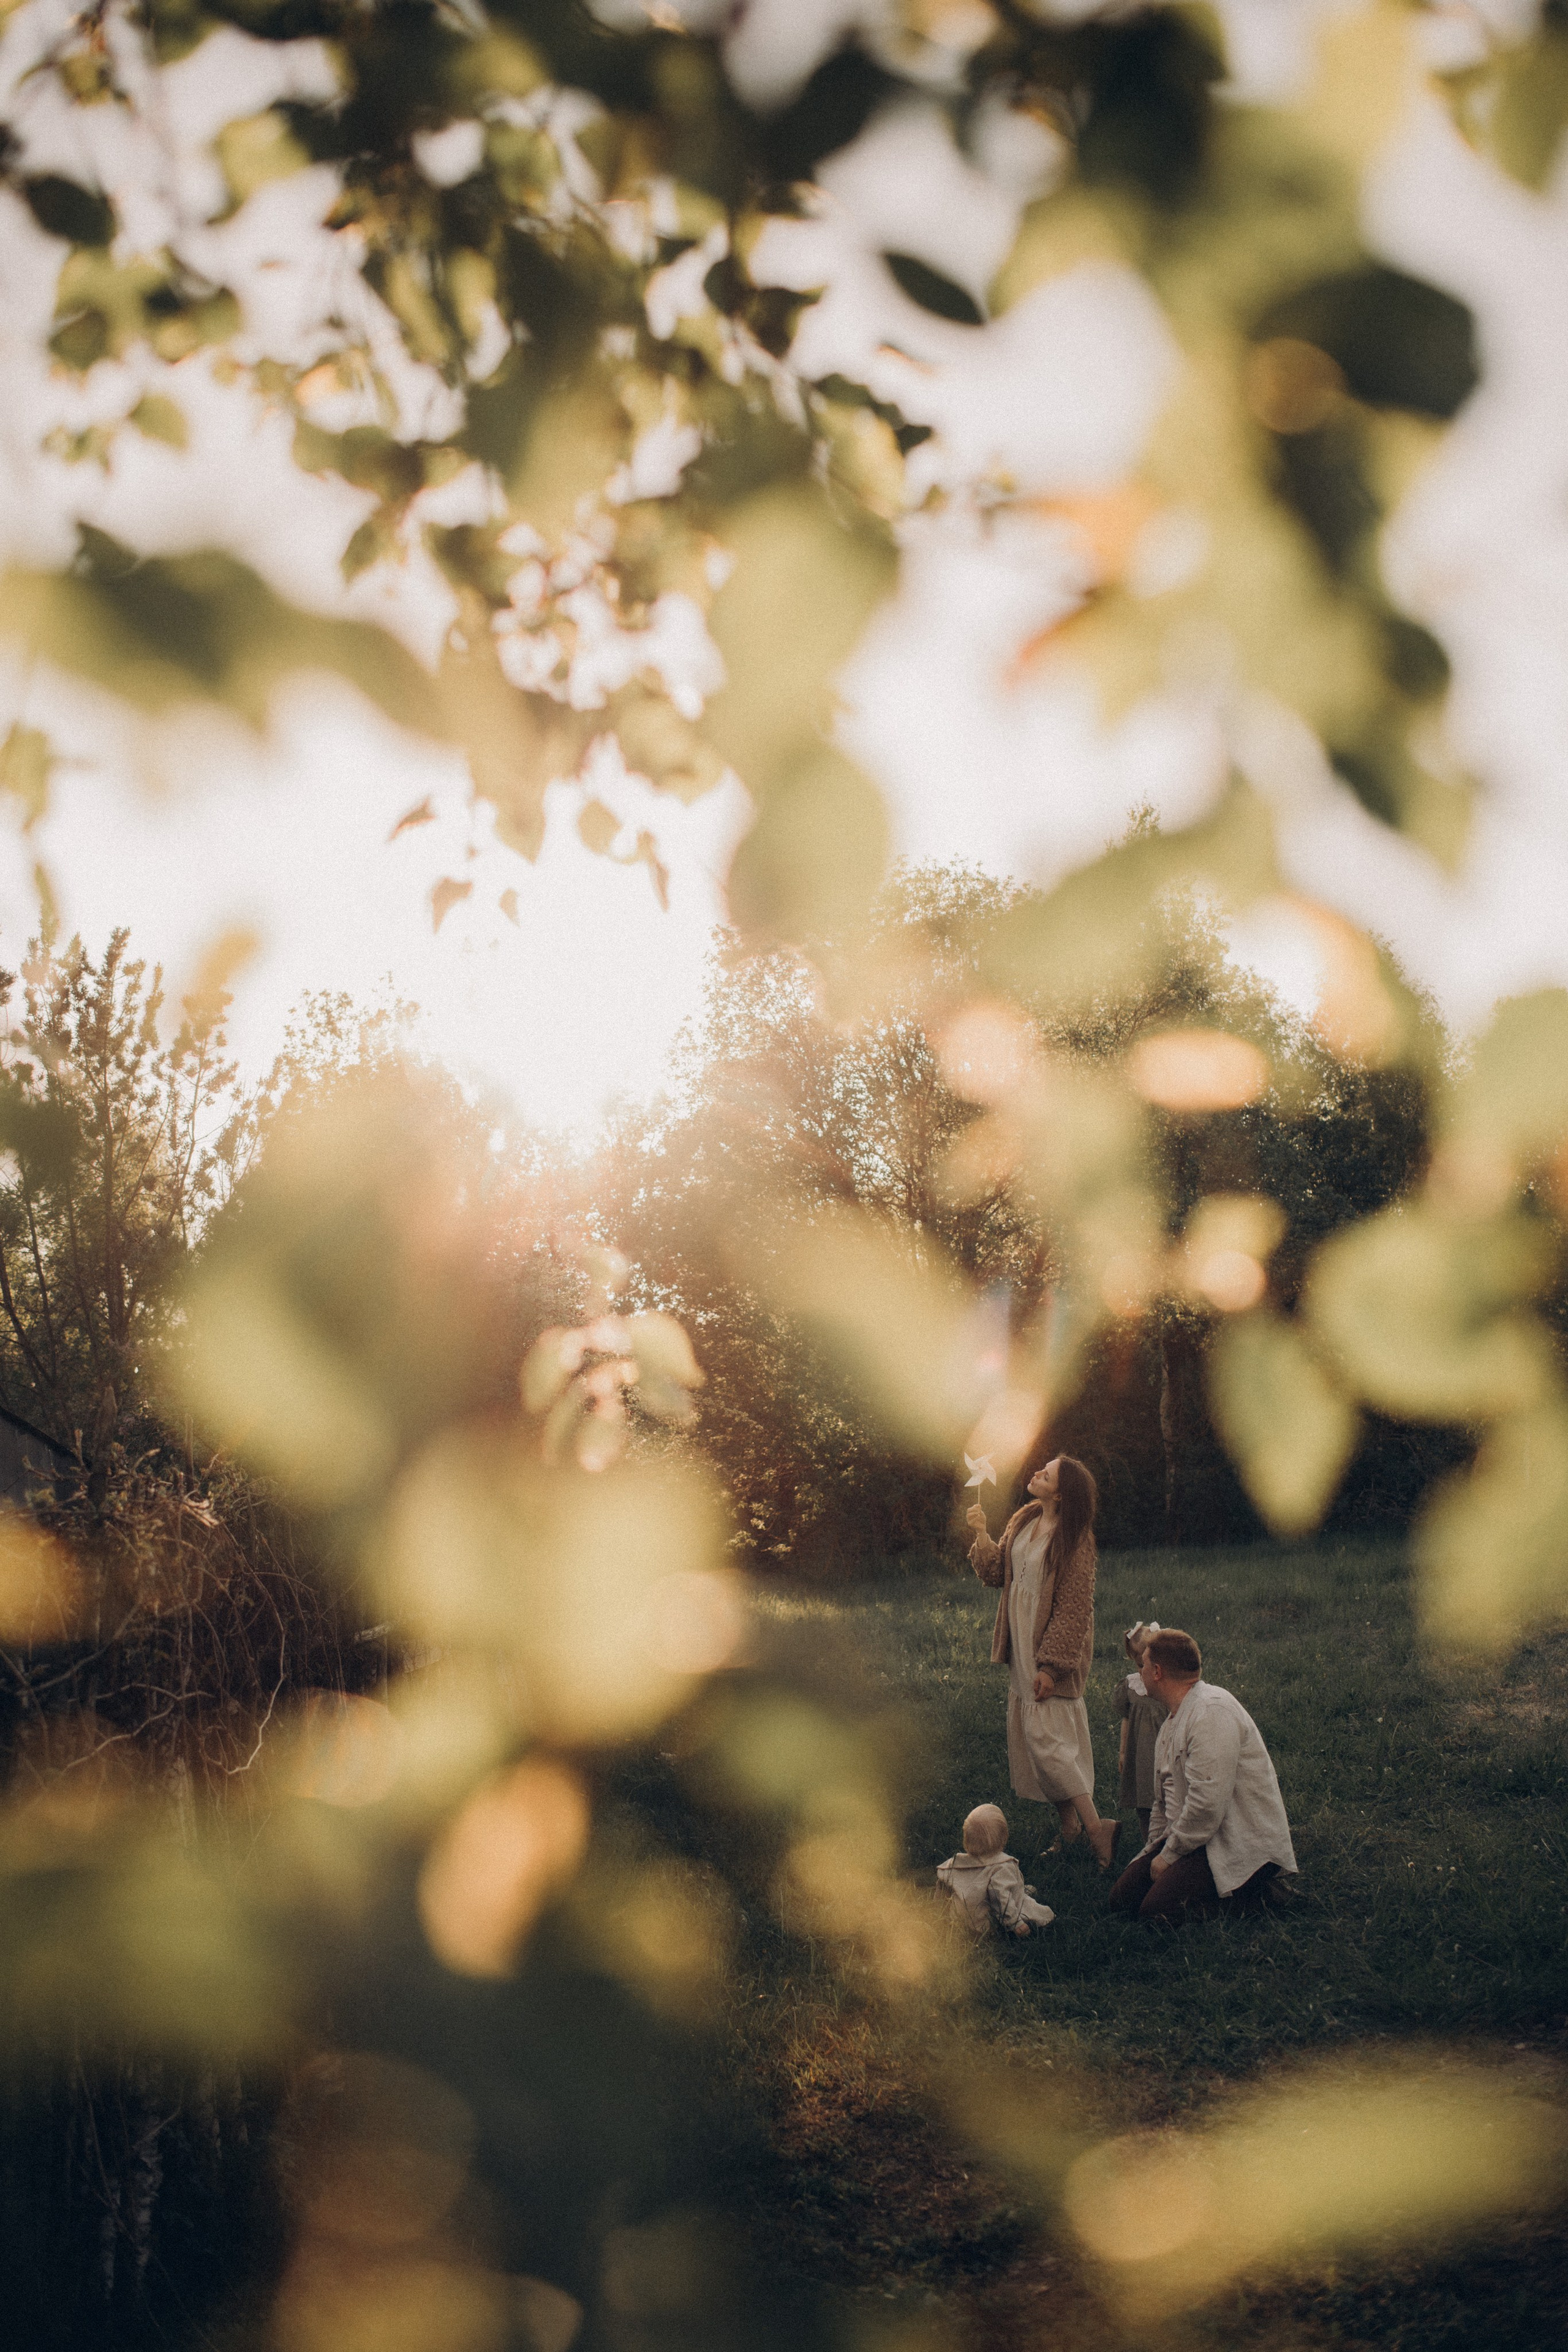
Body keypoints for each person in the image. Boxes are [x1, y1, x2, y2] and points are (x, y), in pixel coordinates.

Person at [965, 1454, 1118, 1870]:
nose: (1036, 1473)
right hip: (1022, 1641)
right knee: (1038, 1743)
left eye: (1046, 1474)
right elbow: (997, 1573)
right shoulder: (1025, 1519)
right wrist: (981, 1533)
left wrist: (1052, 1667)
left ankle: (1097, 1828)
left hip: (1049, 1647)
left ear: (1061, 1493)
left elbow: (1074, 1609)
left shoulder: (1075, 1539)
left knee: (1050, 1744)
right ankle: (1070, 1829)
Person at [1109, 1629, 1297, 1925]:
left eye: (1143, 1665)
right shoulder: (1172, 1719)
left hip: (1232, 1839)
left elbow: (1207, 1806)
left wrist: (1169, 1857)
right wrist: (1154, 1850)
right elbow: (1163, 1800)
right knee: (1122, 1901)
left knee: (1158, 1914)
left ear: (1157, 1672)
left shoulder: (1211, 1712)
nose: (1139, 1671)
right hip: (1193, 1834)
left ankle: (1260, 1893)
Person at [936, 1802, 1056, 1937]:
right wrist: (1015, 1924)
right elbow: (1000, 1897)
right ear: (1003, 1837)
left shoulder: (955, 1863)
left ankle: (1019, 1890)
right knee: (1045, 1914)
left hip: (959, 1922)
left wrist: (940, 1914)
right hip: (986, 1924)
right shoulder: (1002, 1866)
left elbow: (943, 1889)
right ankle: (1019, 1901)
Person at [1114, 1620, 1164, 1839]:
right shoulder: (1132, 1687)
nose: (1145, 1671)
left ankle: (1170, 1841)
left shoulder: (1167, 1686)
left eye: (1150, 1665)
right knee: (1144, 1804)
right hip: (1141, 1756)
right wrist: (1123, 1752)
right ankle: (1149, 1843)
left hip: (1163, 1753)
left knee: (1168, 1799)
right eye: (1139, 1665)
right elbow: (1126, 1719)